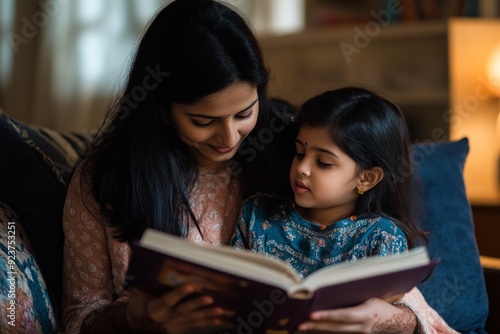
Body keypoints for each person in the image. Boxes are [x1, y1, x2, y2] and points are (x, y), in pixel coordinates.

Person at [61, 1, 455, 333]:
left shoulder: (288, 150)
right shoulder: (107, 180)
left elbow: (396, 300)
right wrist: (138, 319)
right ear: (162, 110)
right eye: (203, 121)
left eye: (244, 113)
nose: (229, 137)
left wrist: (392, 322)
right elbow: (79, 316)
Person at [231, 87, 458, 333]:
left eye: (324, 163)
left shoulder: (382, 237)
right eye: (299, 153)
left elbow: (379, 319)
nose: (303, 168)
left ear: (367, 178)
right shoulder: (256, 214)